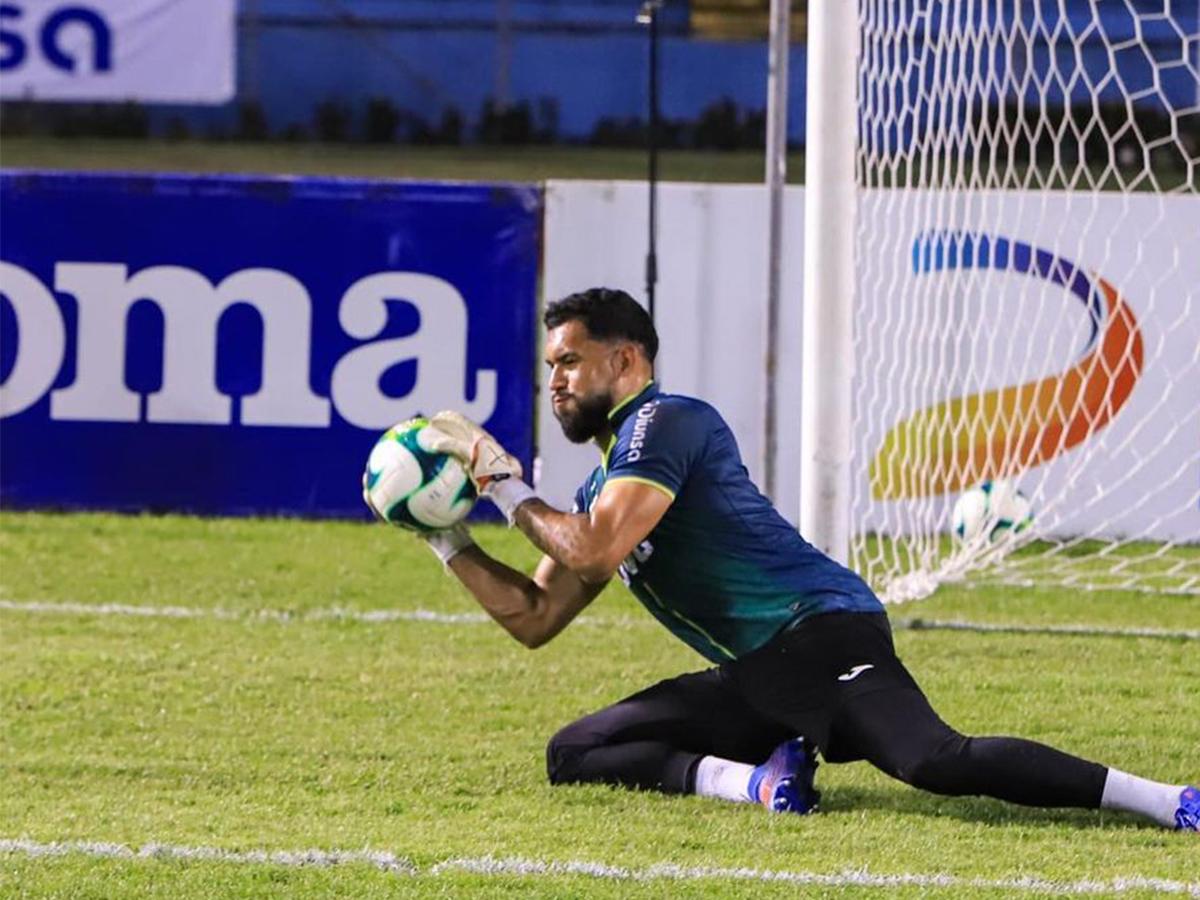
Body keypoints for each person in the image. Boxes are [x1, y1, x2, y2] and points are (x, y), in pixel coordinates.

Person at [413, 286, 1197, 831]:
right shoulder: (599, 482)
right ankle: (760, 779)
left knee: (933, 760)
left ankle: (1169, 801)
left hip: (820, 634)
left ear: (626, 362)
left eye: (569, 362)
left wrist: (500, 480)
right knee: (575, 751)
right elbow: (537, 615)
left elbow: (598, 546)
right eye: (551, 366)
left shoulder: (665, 422)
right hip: (758, 672)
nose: (555, 381)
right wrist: (444, 534)